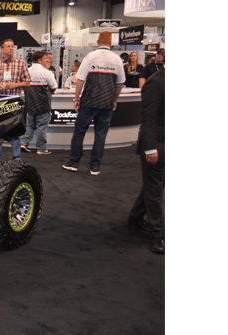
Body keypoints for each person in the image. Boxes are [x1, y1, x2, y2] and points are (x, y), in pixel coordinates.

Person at [63, 31, 125, 175]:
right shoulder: (117, 59)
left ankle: (73, 163)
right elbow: (120, 84)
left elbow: (80, 80)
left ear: (98, 41)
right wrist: (114, 100)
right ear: (111, 42)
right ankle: (95, 167)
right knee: (100, 135)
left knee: (79, 133)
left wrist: (76, 99)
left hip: (89, 102)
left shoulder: (90, 57)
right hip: (106, 104)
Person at [127, 67, 165, 253]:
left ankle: (135, 217)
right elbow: (148, 118)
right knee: (155, 188)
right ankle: (159, 234)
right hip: (156, 145)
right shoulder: (155, 82)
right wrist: (150, 147)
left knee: (155, 185)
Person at [0, 38, 30, 164]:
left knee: (15, 131)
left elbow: (27, 82)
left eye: (12, 46)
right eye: (8, 46)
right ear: (2, 50)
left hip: (15, 102)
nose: (11, 48)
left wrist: (15, 85)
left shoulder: (21, 63)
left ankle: (16, 158)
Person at [21, 51, 57, 155]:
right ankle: (41, 149)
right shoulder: (47, 72)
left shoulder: (27, 72)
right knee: (42, 127)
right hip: (43, 104)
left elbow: (23, 86)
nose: (46, 60)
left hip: (30, 104)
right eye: (45, 58)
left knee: (30, 125)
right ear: (39, 60)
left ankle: (24, 143)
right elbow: (54, 87)